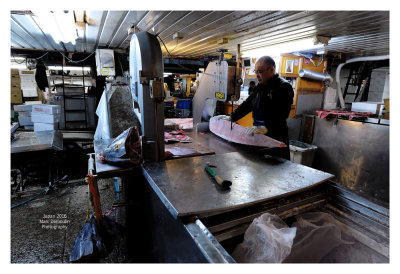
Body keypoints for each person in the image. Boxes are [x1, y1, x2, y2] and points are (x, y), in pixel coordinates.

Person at [215, 56, 294, 159]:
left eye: (260, 72)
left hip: (276, 139)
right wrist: (231, 117)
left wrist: (267, 127)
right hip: (258, 135)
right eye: (255, 72)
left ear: (271, 70)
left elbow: (282, 113)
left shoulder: (284, 87)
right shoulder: (259, 87)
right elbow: (247, 105)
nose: (257, 75)